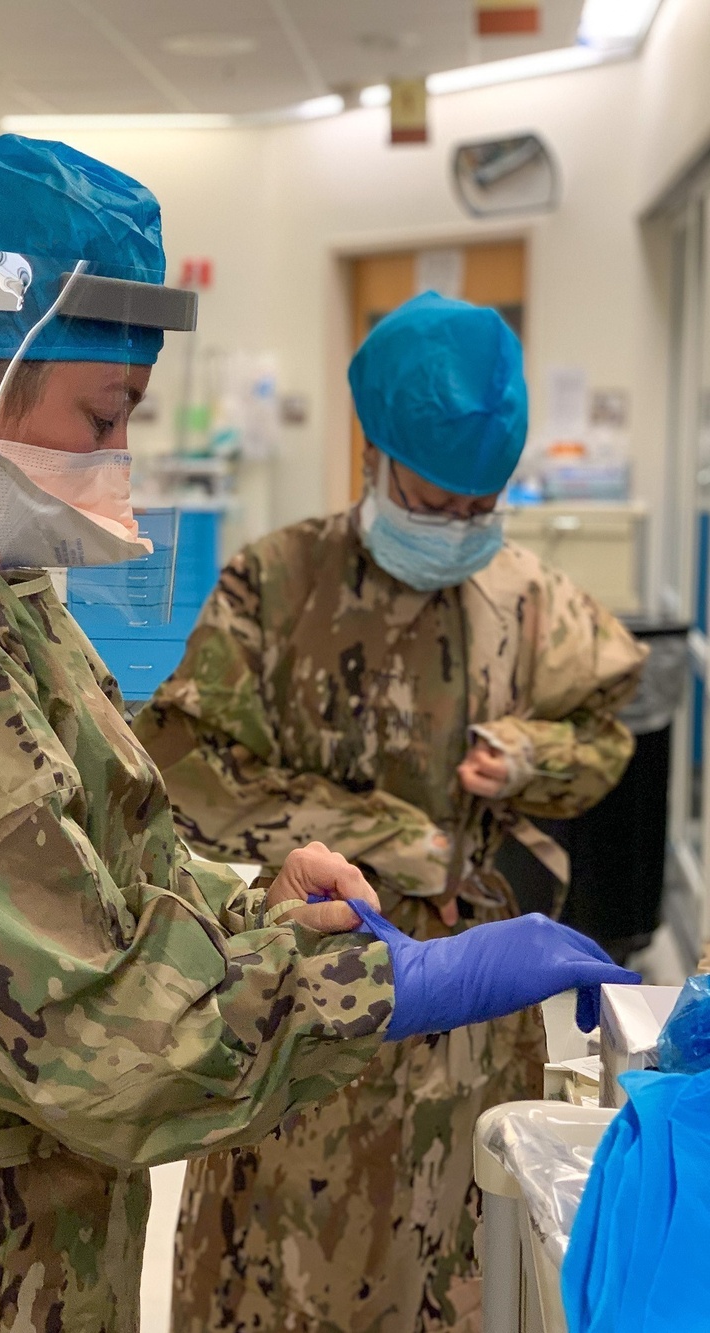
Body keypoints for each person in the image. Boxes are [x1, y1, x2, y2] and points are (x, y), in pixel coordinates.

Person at [0, 145, 637, 1333]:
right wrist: (398, 982)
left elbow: (78, 856)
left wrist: (248, 896)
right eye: (104, 417)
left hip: (2, 1242)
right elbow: (107, 1028)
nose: (120, 461)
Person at [133, 292, 649, 1333]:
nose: (460, 525)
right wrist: (387, 835)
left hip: (473, 1012)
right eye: (437, 497)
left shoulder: (532, 596)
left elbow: (605, 734)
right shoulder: (277, 585)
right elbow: (185, 766)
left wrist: (530, 760)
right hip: (313, 1003)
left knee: (464, 1263)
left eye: (480, 506)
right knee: (288, 1277)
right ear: (378, 451)